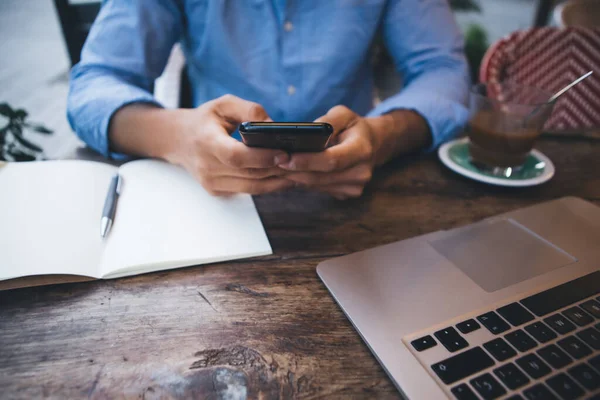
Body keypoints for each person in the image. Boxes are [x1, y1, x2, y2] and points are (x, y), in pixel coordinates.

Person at [68, 0, 469, 199]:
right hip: (216, 197)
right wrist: (179, 137)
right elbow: (96, 83)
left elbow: (443, 71)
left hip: (358, 191)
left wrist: (383, 137)